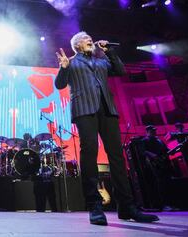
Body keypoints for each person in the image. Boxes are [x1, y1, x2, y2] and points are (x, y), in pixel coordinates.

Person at [55, 31, 159, 225]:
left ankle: (127, 207)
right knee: (90, 153)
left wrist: (109, 52)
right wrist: (63, 68)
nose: (89, 40)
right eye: (85, 39)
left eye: (90, 39)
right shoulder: (70, 62)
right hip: (85, 109)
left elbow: (120, 71)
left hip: (108, 110)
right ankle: (94, 206)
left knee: (117, 157)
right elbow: (59, 85)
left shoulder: (101, 61)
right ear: (77, 45)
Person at [141, 125, 174, 211]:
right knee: (158, 184)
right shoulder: (144, 141)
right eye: (152, 131)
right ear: (147, 131)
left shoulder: (159, 140)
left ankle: (169, 203)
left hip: (164, 164)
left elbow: (167, 151)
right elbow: (142, 151)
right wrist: (153, 156)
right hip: (154, 165)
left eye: (154, 130)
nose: (154, 132)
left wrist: (174, 150)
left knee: (167, 183)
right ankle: (162, 204)